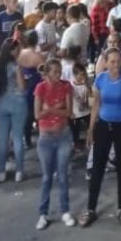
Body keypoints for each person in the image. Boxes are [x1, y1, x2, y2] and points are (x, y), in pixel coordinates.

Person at [80, 46, 121, 227]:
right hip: (103, 127)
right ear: (105, 63)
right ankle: (91, 208)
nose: (116, 65)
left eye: (118, 61)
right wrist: (91, 129)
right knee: (97, 168)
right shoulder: (100, 79)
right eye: (112, 62)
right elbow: (96, 104)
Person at [34, 57, 76, 230]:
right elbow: (37, 114)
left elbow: (69, 112)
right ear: (47, 74)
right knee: (46, 177)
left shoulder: (67, 87)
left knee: (63, 175)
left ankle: (65, 210)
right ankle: (43, 213)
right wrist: (56, 108)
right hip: (46, 137)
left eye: (59, 72)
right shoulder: (40, 88)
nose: (58, 75)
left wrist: (49, 109)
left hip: (63, 135)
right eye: (55, 72)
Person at [0, 34, 28, 183]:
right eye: (18, 49)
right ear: (12, 50)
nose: (20, 51)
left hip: (2, 103)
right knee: (18, 138)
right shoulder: (15, 66)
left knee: (3, 140)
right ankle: (19, 171)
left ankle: (1, 171)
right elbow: (22, 86)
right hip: (18, 103)